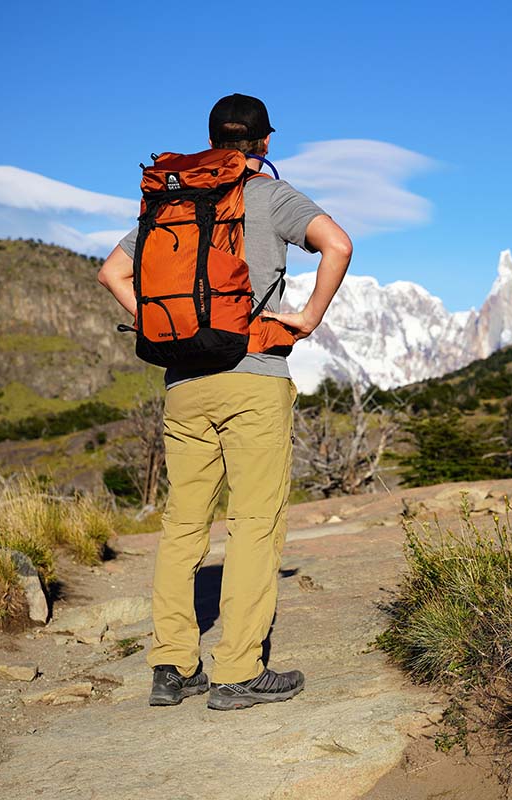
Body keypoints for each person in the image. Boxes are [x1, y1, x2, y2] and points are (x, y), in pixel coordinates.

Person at [97, 93, 352, 711]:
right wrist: (309, 318)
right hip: (253, 376)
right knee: (253, 523)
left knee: (183, 524)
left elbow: (111, 274)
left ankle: (171, 667)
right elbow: (337, 244)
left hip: (184, 383)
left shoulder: (174, 200)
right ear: (264, 140)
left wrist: (158, 328)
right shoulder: (270, 195)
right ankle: (237, 672)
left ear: (212, 139)